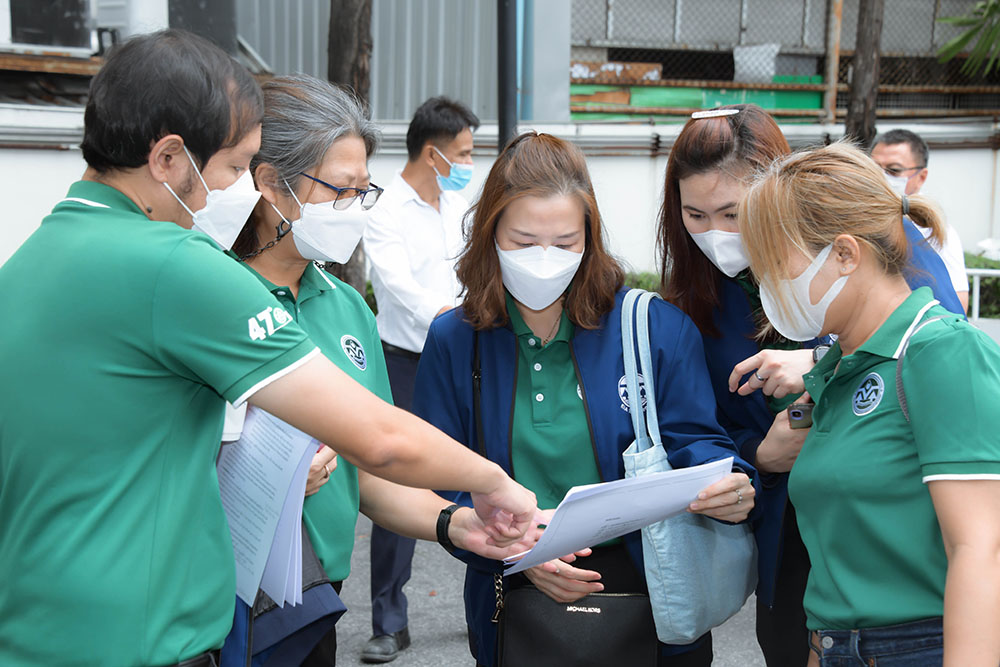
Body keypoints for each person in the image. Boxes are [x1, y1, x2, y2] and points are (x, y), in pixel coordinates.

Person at [0, 30, 536, 667]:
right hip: (143, 638)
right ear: (169, 158)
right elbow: (381, 439)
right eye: (230, 169)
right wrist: (494, 482)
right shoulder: (175, 265)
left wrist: (451, 520)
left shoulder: (29, 262)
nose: (228, 193)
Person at [413, 131, 758, 667]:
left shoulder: (655, 327)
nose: (544, 259)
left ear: (590, 238)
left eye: (566, 242)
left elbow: (698, 443)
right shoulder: (456, 340)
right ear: (490, 236)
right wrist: (513, 548)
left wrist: (732, 483)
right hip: (512, 592)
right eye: (524, 242)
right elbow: (437, 480)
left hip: (652, 589)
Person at [226, 74, 533, 666]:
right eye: (340, 190)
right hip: (225, 596)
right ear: (270, 184)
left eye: (364, 191)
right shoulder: (216, 295)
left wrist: (456, 524)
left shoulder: (345, 307)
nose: (354, 210)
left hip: (316, 596)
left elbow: (372, 472)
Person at [655, 105, 965, 666]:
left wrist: (825, 359)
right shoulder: (695, 293)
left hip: (893, 526)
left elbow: (931, 354)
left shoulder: (894, 255)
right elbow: (697, 424)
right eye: (695, 216)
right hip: (793, 532)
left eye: (733, 213)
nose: (718, 236)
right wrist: (757, 458)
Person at [739, 141, 1000, 666]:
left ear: (844, 254)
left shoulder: (940, 351)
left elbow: (982, 550)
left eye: (774, 262)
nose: (765, 282)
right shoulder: (838, 368)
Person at [360, 95, 479, 662]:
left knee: (487, 475)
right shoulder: (384, 211)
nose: (469, 163)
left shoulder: (458, 203)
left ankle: (491, 600)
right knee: (401, 485)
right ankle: (389, 618)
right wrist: (453, 317)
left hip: (466, 352)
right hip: (407, 360)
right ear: (432, 154)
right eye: (463, 153)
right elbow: (399, 289)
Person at [871, 128, 970, 311]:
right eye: (874, 168)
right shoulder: (862, 221)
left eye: (894, 170)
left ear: (921, 177)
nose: (882, 177)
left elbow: (958, 304)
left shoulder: (935, 230)